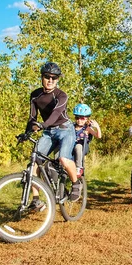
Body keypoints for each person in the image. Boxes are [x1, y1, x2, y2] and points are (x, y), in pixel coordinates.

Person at [26, 62, 82, 207]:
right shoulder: (35, 95)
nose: (50, 80)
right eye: (47, 76)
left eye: (54, 78)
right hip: (48, 132)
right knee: (34, 162)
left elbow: (56, 113)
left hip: (65, 130)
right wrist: (27, 132)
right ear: (42, 77)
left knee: (63, 159)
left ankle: (76, 183)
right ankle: (36, 199)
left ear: (57, 79)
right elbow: (32, 118)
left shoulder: (61, 95)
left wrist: (43, 125)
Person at [72, 103, 102, 178]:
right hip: (71, 146)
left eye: (82, 118)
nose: (79, 120)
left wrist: (97, 127)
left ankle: (79, 167)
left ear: (87, 119)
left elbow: (98, 136)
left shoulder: (87, 128)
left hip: (82, 147)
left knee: (78, 147)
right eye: (77, 118)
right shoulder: (72, 126)